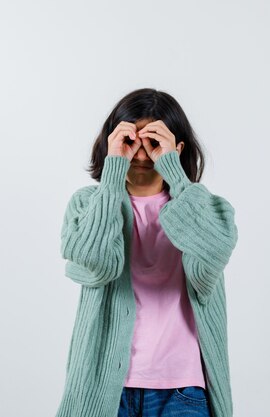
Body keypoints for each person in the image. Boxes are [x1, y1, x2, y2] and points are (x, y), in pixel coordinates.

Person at [55, 88, 238, 417]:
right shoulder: (87, 204)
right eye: (131, 141)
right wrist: (112, 172)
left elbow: (215, 251)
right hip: (106, 388)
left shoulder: (204, 208)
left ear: (176, 148)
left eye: (153, 142)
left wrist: (176, 176)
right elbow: (92, 258)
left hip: (185, 390)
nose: (141, 154)